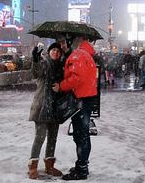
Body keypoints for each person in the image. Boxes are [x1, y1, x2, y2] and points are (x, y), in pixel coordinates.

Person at [52, 36, 98, 181]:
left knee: (81, 135)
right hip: (87, 98)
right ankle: (82, 165)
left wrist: (61, 86)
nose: (62, 45)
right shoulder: (85, 53)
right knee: (82, 135)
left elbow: (77, 78)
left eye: (64, 42)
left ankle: (81, 170)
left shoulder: (77, 55)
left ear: (72, 41)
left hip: (81, 100)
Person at [28, 43, 65, 179]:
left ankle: (49, 166)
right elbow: (35, 72)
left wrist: (60, 86)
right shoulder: (44, 64)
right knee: (40, 137)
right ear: (49, 52)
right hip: (42, 106)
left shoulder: (61, 66)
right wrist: (35, 59)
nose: (56, 52)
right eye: (53, 50)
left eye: (58, 51)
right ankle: (33, 166)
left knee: (52, 138)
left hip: (55, 108)